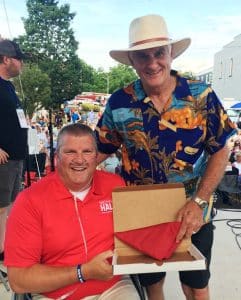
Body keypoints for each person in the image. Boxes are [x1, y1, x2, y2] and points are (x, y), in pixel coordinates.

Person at [95, 14, 236, 300]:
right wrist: (61, 178)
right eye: (142, 56)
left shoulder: (201, 95)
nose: (152, 63)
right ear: (132, 62)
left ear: (171, 53)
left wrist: (199, 200)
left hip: (194, 208)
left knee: (196, 281)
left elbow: (222, 147)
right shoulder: (120, 102)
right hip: (142, 213)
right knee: (152, 281)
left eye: (159, 53)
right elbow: (99, 149)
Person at [4, 123, 139, 300]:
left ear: (96, 156)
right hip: (53, 295)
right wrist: (82, 272)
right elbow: (19, 280)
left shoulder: (115, 185)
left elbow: (137, 236)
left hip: (113, 287)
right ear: (56, 157)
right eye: (70, 152)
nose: (79, 159)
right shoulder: (29, 200)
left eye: (87, 152)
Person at [0, 39, 28, 266]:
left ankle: (7, 245)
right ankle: (1, 251)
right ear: (6, 59)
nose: (22, 65)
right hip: (4, 158)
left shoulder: (8, 86)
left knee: (10, 204)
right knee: (1, 207)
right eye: (20, 60)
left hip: (16, 156)